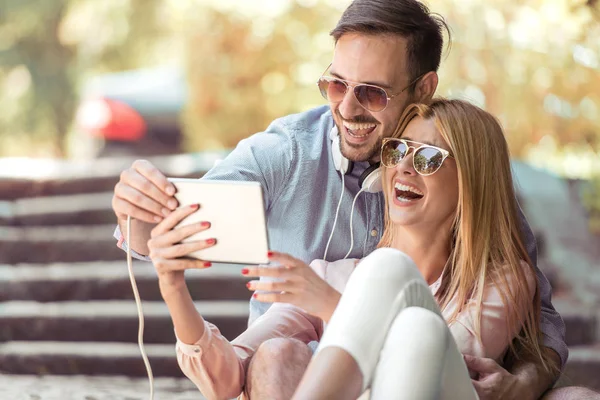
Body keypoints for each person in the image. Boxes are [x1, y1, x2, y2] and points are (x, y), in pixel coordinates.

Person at [111, 0, 572, 398]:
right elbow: (173, 228)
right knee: (291, 341)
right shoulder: (287, 157)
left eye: (371, 93)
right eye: (336, 85)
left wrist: (527, 382)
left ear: (423, 88)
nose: (348, 109)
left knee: (396, 285)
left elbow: (522, 327)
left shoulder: (473, 187)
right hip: (291, 377)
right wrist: (146, 225)